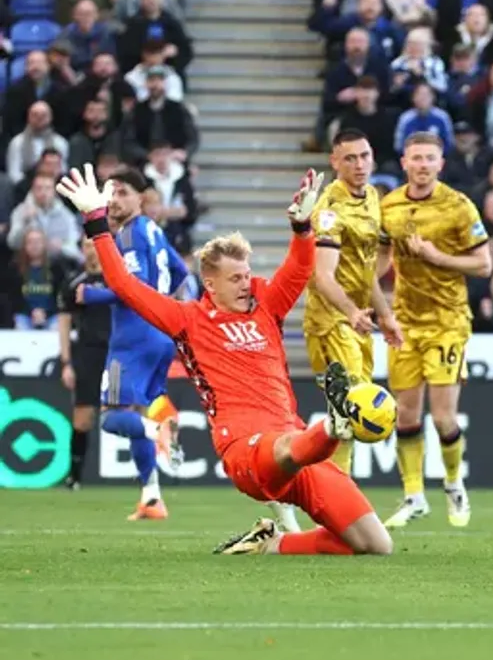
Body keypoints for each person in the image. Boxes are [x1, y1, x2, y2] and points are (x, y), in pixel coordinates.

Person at [58, 164, 394, 556]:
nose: (246, 284)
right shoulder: (187, 319)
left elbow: (301, 268)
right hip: (245, 450)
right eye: (236, 278)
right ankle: (334, 426)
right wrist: (96, 222)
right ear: (210, 284)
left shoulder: (266, 306)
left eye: (247, 275)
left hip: (297, 440)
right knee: (289, 446)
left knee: (375, 545)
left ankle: (270, 544)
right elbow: (123, 284)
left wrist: (303, 228)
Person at [379, 132, 492, 528]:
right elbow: (382, 256)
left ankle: (454, 484)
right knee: (406, 415)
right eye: (416, 158)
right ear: (404, 163)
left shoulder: (458, 206)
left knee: (444, 417)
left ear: (441, 164)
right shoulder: (389, 206)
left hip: (447, 322)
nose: (423, 165)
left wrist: (437, 256)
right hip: (405, 321)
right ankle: (413, 496)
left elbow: (484, 265)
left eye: (430, 158)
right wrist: (366, 291)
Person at [79, 169, 189, 520]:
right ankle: (152, 497)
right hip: (161, 334)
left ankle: (161, 429)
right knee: (135, 416)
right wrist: (175, 310)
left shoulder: (128, 234)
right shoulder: (154, 230)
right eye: (110, 193)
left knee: (112, 418)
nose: (113, 200)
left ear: (141, 197)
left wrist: (91, 295)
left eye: (122, 192)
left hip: (133, 337)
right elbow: (182, 273)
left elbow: (131, 286)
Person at [304, 130, 402, 478]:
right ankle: (337, 493)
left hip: (357, 319)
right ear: (335, 162)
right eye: (350, 158)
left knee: (344, 415)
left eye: (364, 156)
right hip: (330, 322)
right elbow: (322, 276)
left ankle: (314, 484)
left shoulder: (372, 197)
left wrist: (385, 315)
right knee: (355, 407)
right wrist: (351, 312)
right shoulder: (329, 211)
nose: (359, 165)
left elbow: (365, 272)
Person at [56, 238, 111, 489]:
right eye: (87, 245)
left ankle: (145, 475)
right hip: (87, 353)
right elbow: (64, 323)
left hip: (116, 352)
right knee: (83, 417)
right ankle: (74, 476)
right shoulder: (74, 283)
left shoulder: (117, 280)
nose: (92, 250)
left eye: (95, 244)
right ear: (82, 249)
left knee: (129, 411)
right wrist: (66, 362)